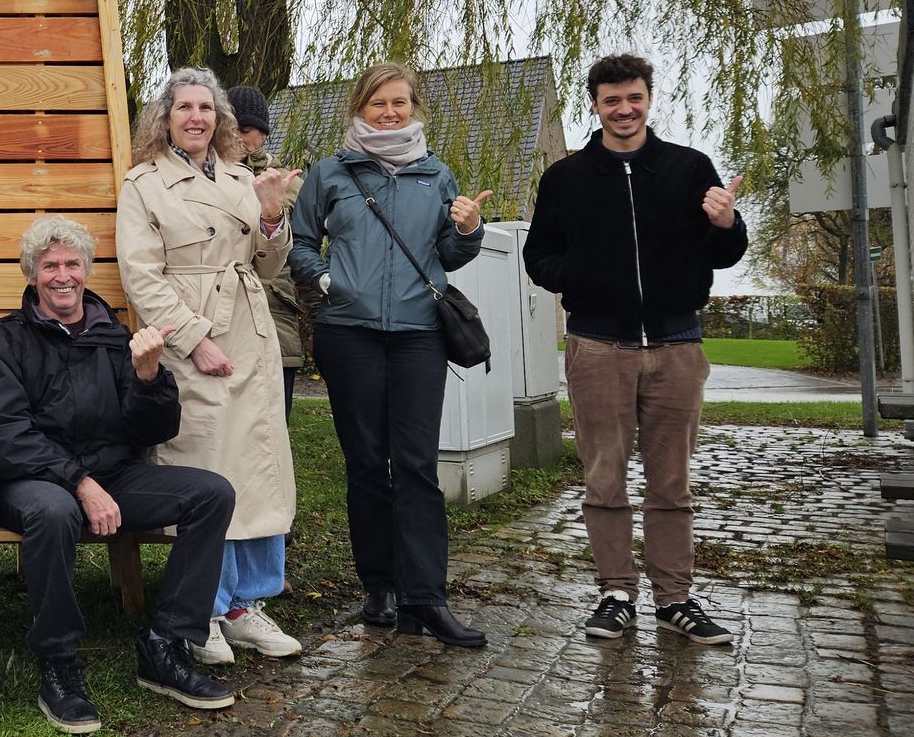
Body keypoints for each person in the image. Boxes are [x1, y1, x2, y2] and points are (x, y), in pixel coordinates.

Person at [523, 53, 745, 646]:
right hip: (598, 345)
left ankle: (675, 598)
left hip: (676, 344)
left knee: (671, 480)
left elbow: (722, 255)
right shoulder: (565, 179)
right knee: (605, 475)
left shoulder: (688, 167)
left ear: (649, 99)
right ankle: (616, 592)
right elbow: (537, 256)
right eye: (612, 100)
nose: (624, 109)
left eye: (634, 98)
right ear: (595, 105)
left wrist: (727, 222)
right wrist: (584, 276)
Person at [0, 215, 238, 733]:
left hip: (112, 476)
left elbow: (156, 429)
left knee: (211, 494)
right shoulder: (7, 341)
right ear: (32, 275)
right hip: (30, 481)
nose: (62, 275)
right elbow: (6, 435)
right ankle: (58, 660)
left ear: (86, 270)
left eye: (72, 263)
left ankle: (165, 645)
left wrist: (148, 377)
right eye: (49, 265)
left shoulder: (114, 336)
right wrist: (80, 482)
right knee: (54, 512)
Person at [289, 62, 489, 647]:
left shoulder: (437, 174)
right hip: (348, 335)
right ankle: (378, 586)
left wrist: (469, 229)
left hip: (418, 336)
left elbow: (449, 255)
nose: (390, 113)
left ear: (414, 109)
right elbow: (301, 243)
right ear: (360, 107)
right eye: (379, 103)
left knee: (417, 466)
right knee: (368, 465)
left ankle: (425, 597)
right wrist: (328, 283)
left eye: (400, 103)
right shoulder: (332, 173)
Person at [116, 66, 305, 666]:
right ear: (164, 118)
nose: (196, 117)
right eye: (184, 108)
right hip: (191, 339)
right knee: (209, 465)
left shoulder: (241, 180)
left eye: (206, 108)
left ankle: (248, 605)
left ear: (219, 119)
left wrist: (273, 218)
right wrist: (195, 339)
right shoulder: (143, 185)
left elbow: (269, 267)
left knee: (259, 465)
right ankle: (206, 606)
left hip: (252, 333)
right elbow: (142, 278)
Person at [228, 85, 310, 413]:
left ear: (261, 135)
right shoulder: (201, 177)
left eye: (245, 130)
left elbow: (303, 252)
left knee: (272, 425)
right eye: (230, 127)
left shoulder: (288, 185)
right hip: (221, 317)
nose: (236, 137)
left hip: (274, 316)